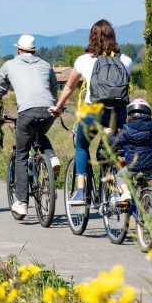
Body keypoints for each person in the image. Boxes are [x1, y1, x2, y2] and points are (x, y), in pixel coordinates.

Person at [48, 19, 133, 205]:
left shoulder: (83, 61)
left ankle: (80, 191)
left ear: (92, 38)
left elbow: (69, 86)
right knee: (116, 150)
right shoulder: (126, 61)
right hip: (117, 113)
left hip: (92, 112)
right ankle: (122, 189)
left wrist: (58, 106)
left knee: (82, 146)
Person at [0, 34, 61, 217]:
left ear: (18, 50)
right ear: (34, 50)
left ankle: (21, 202)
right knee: (40, 135)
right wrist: (56, 109)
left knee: (21, 153)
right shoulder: (45, 65)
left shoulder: (9, 65)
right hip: (48, 110)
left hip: (27, 112)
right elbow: (54, 91)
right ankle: (51, 158)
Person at [104, 97, 152, 203]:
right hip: (150, 164)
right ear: (147, 113)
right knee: (144, 180)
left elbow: (116, 142)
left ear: (130, 114)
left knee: (120, 176)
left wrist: (109, 134)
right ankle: (147, 201)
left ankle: (126, 193)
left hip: (133, 166)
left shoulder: (126, 130)